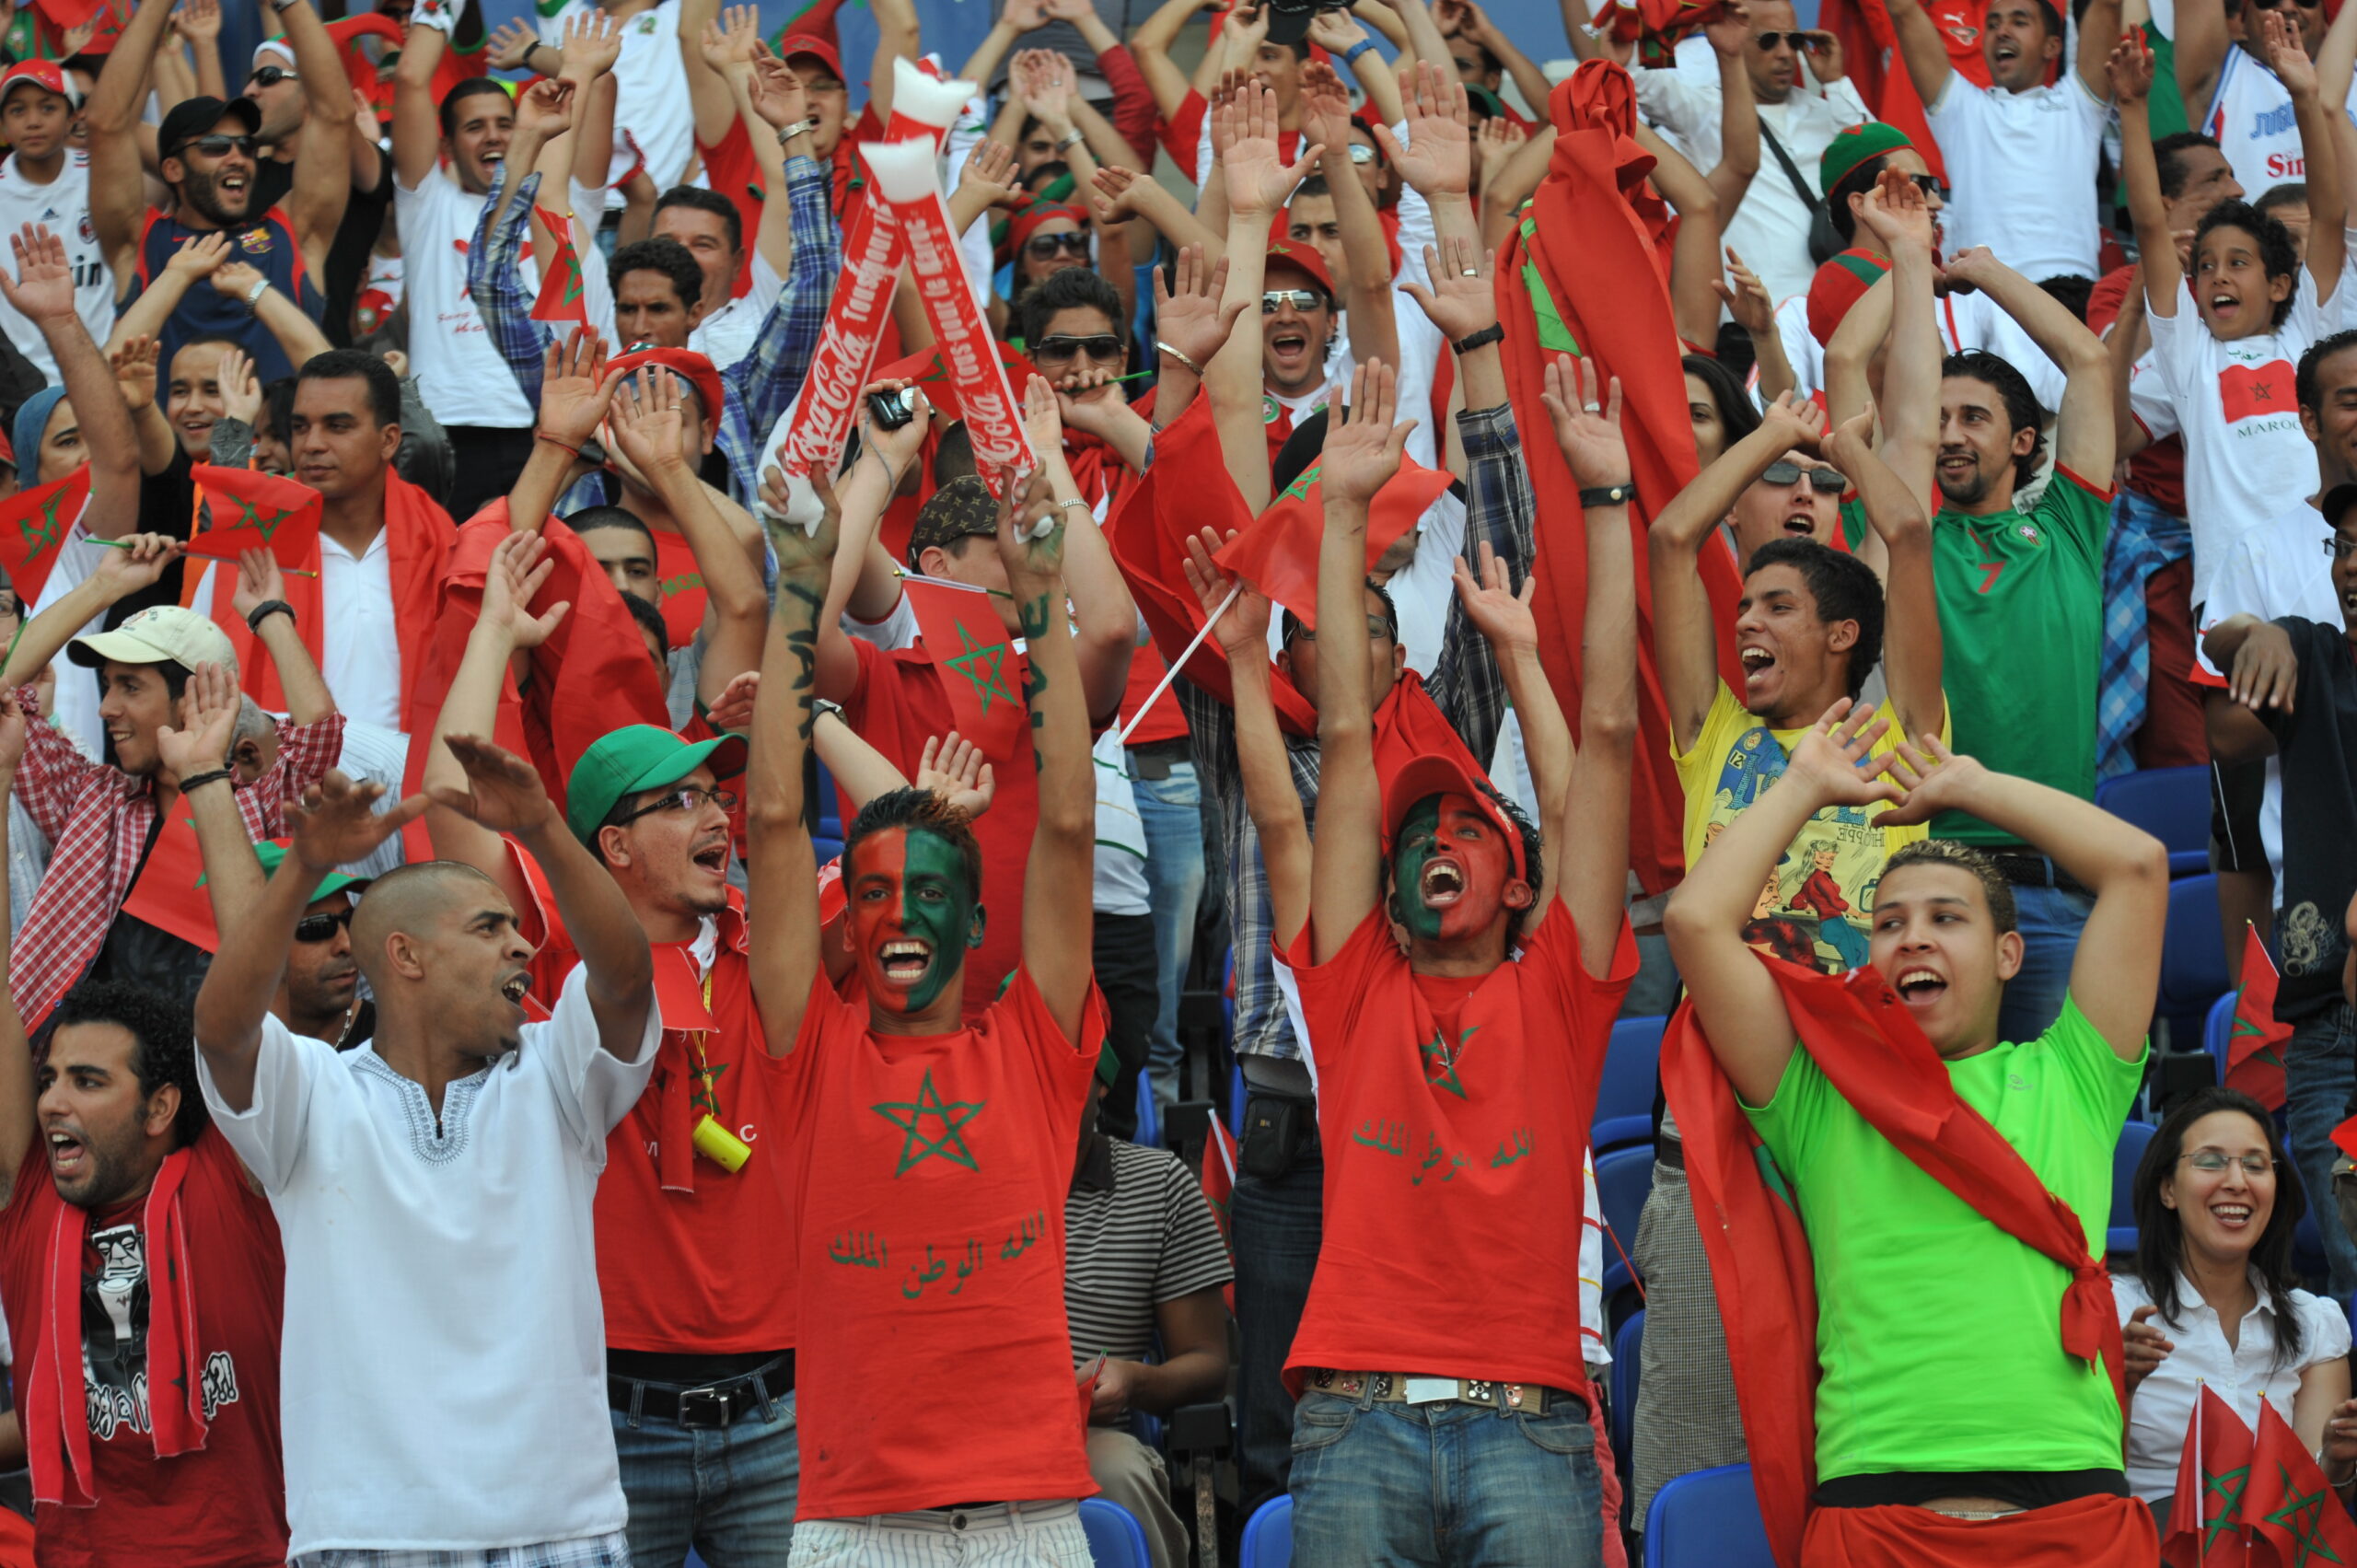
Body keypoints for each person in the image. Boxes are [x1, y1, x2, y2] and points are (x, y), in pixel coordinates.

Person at [1231, 349, 1632, 1563]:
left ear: (1521, 882)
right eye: (1416, 835)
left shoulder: (1559, 990)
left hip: (1534, 1425)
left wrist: (1603, 512)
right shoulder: (1353, 990)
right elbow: (1344, 735)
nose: (1438, 842)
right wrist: (1340, 515)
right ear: (1388, 894)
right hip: (1357, 1424)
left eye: (1468, 824)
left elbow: (1603, 747)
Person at [1665, 710, 2169, 1562]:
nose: (1915, 937)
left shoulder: (2072, 1076)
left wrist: (1971, 788)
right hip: (1875, 1516)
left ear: (2010, 953)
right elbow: (1695, 922)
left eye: (1947, 917)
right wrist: (1803, 786)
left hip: (2075, 1513)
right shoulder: (1818, 1098)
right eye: (1890, 922)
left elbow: (2139, 867)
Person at [747, 434, 1101, 1566]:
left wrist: (1040, 602)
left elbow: (1065, 826)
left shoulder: (1036, 1048)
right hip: (854, 1523)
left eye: (932, 893)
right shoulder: (810, 1053)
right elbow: (770, 821)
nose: (901, 915)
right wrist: (801, 593)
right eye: (876, 893)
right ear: (846, 918)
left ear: (977, 922)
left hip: (1030, 1515)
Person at [420, 528, 798, 1564]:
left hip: (781, 1407)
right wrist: (494, 633)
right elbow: (454, 805)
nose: (712, 810)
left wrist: (807, 714)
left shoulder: (771, 946)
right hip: (611, 1410)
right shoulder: (558, 961)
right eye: (680, 799)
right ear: (613, 847)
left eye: (712, 792)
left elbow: (829, 810)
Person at [192, 726, 658, 1562]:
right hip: (367, 1533)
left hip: (559, 1530)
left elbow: (625, 976)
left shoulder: (557, 1076)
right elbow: (225, 1033)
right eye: (488, 928)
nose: (521, 946)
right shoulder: (314, 1093)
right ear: (403, 955)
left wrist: (544, 827)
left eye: (517, 929)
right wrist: (302, 868)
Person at [0, 675, 287, 1566]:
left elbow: (247, 997)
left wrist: (206, 788)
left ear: (164, 1105)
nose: (53, 1102)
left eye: (88, 1080)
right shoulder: (34, 1199)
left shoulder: (235, 1181)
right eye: (50, 1079)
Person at [1869, 169, 2119, 1044]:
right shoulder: (1908, 539)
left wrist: (1980, 271)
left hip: (2059, 890)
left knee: (2062, 1154)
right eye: (1939, 417)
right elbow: (1875, 394)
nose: (1947, 433)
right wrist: (1909, 266)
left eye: (1971, 416)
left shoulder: (2070, 529)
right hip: (1940, 890)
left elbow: (2087, 361)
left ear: (2022, 443)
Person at [2, 537, 343, 1025]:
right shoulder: (94, 803)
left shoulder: (261, 803)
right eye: (106, 686)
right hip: (97, 1077)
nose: (106, 710)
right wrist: (104, 586)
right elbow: (5, 692)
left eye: (130, 687)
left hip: (226, 1077)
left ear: (194, 696)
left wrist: (269, 613)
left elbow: (318, 734)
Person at [2202, 494, 2357, 1298]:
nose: (2354, 565)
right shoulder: (2312, 652)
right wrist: (2251, 631)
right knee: (2351, 1263)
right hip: (2327, 1020)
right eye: (2345, 546)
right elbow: (2224, 734)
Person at [2114, 1086, 2357, 1522]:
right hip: (2145, 1542)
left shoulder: (2314, 1322)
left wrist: (2337, 1463)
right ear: (2167, 1189)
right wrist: (2122, 1386)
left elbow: (2312, 1515)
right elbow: (2079, 1480)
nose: (2236, 1181)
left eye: (2255, 1165)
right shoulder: (2111, 1308)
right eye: (2210, 1161)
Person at [86, 0, 350, 382]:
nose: (237, 157)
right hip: (167, 443)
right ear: (172, 168)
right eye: (215, 147)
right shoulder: (140, 241)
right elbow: (105, 125)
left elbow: (334, 116)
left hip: (282, 442)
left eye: (245, 146)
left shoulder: (291, 232)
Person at [1063, 1043, 1234, 1568]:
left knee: (1114, 1475)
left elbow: (1208, 1362)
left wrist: (1133, 1380)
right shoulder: (955, 1178)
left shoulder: (1157, 1184)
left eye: (1068, 1072)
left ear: (1101, 1084)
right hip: (963, 1426)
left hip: (1083, 1433)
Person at [1634, 0, 1866, 307]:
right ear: (1735, 36)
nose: (1785, 54)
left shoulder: (1827, 111)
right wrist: (1661, 21)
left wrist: (1836, 83)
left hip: (1832, 313)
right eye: (1769, 40)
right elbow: (1634, 79)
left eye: (1794, 41)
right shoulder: (1700, 109)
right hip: (1749, 318)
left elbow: (1877, 161)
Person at [1884, 0, 2119, 282]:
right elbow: (1903, 11)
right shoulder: (1961, 110)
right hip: (1981, 294)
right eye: (1993, 25)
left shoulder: (2079, 104)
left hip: (2068, 292)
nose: (2002, 32)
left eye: (2019, 22)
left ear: (2052, 46)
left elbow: (2108, 5)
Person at [244, 33, 392, 348]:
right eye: (250, 79)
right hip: (241, 378)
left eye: (267, 77)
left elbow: (335, 113)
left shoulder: (354, 169)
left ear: (311, 88)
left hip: (325, 374)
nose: (249, 91)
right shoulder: (238, 177)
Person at [0, 62, 113, 380]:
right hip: (24, 385)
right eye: (18, 111)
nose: (33, 122)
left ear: (73, 116)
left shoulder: (102, 175)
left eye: (48, 108)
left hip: (105, 367)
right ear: (4, 125)